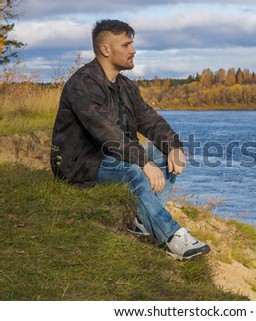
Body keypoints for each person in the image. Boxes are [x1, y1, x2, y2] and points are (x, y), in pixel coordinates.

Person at [50, 19, 210, 261]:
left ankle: (141, 221)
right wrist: (143, 162)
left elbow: (150, 120)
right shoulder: (83, 85)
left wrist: (174, 147)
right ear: (106, 49)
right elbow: (106, 132)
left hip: (113, 156)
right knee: (132, 171)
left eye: (132, 44)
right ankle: (172, 238)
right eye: (126, 45)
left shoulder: (126, 86)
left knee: (165, 155)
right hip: (80, 162)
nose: (133, 50)